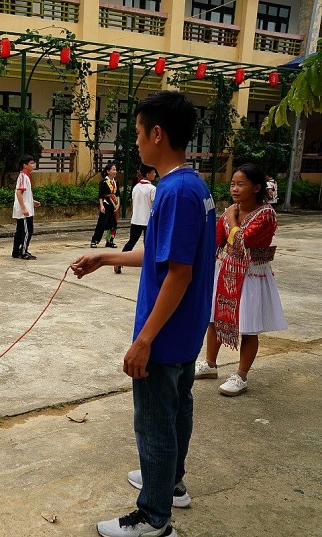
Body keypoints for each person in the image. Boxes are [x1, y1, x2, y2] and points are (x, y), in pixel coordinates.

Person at [71, 90, 216, 537]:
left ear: (156, 134)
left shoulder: (175, 191)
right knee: (178, 409)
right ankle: (171, 484)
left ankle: (154, 519)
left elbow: (179, 275)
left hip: (165, 333)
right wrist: (106, 257)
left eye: (136, 132)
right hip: (186, 328)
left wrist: (144, 339)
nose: (134, 142)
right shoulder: (193, 186)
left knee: (154, 425)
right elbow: (162, 255)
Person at [195, 164, 287, 396]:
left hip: (251, 275)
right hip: (227, 272)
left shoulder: (265, 214)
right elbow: (216, 240)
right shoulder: (231, 211)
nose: (234, 189)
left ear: (256, 187)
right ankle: (210, 364)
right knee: (215, 319)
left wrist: (230, 219)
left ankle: (241, 375)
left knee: (248, 326)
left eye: (241, 184)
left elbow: (241, 242)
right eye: (232, 184)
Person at [115, 164, 157, 274]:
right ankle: (149, 265)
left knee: (131, 242)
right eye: (153, 172)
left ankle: (119, 261)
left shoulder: (136, 187)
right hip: (148, 220)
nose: (155, 174)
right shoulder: (152, 189)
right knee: (148, 244)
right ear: (148, 174)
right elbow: (154, 206)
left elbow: (133, 203)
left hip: (136, 220)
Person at [11, 155, 41, 260]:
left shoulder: (26, 176)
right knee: (27, 231)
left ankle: (16, 251)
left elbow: (24, 194)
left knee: (20, 231)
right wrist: (24, 208)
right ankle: (23, 252)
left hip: (25, 207)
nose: (33, 165)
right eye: (31, 163)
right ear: (25, 165)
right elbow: (19, 193)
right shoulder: (23, 176)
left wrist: (32, 201)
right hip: (24, 210)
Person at [90, 162, 120, 248]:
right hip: (106, 204)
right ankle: (95, 240)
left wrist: (118, 204)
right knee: (102, 223)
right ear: (108, 171)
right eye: (113, 170)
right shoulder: (103, 182)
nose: (115, 172)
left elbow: (118, 194)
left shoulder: (115, 182)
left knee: (113, 223)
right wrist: (101, 205)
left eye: (115, 170)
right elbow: (100, 195)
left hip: (114, 204)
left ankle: (109, 241)